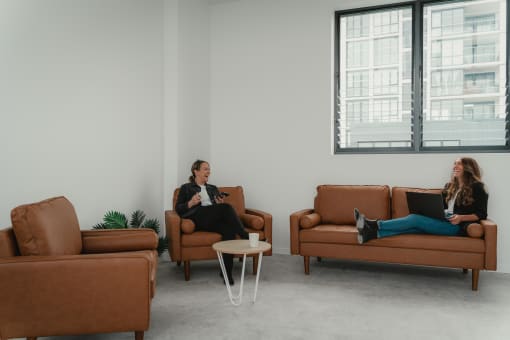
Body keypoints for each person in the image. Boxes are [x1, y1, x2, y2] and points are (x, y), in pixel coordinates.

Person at [354, 157, 488, 244]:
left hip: (457, 227)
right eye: (454, 164)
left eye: (459, 164)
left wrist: (460, 218)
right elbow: (441, 207)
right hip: (444, 220)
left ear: (468, 168)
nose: (455, 166)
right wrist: (430, 210)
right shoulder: (450, 187)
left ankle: (373, 224)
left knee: (414, 219)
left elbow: (481, 214)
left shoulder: (478, 187)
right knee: (414, 228)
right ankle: (372, 234)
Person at [175, 159, 249, 284]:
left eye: (209, 169)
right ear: (196, 171)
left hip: (212, 219)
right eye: (205, 169)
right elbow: (178, 209)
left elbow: (216, 208)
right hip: (198, 216)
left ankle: (226, 272)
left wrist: (219, 203)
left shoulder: (213, 188)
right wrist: (191, 202)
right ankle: (245, 235)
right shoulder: (186, 188)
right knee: (227, 208)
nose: (208, 171)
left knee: (229, 231)